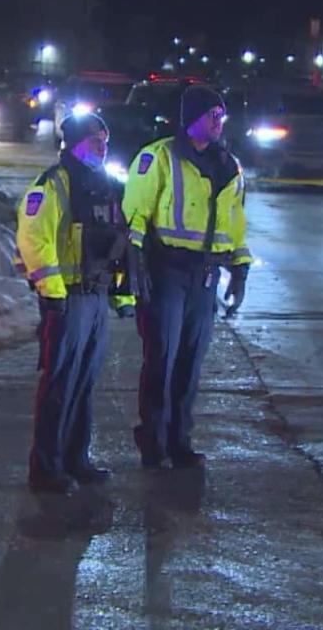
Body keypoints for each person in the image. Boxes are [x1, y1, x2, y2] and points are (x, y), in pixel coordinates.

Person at [122, 85, 251, 470]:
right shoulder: (157, 157)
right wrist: (135, 261)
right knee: (162, 355)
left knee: (191, 360)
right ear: (193, 117)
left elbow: (236, 223)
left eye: (222, 116)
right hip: (167, 270)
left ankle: (179, 441)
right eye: (213, 114)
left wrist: (240, 267)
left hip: (205, 275)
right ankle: (154, 441)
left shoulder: (229, 166)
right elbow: (136, 214)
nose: (219, 122)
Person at [15, 112, 134, 494]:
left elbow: (119, 242)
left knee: (84, 382)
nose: (102, 146)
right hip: (67, 299)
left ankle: (76, 459)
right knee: (60, 383)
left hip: (96, 296)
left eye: (105, 139)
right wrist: (52, 294)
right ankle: (46, 466)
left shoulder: (108, 186)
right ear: (74, 143)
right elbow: (35, 239)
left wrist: (121, 291)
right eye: (95, 139)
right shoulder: (53, 184)